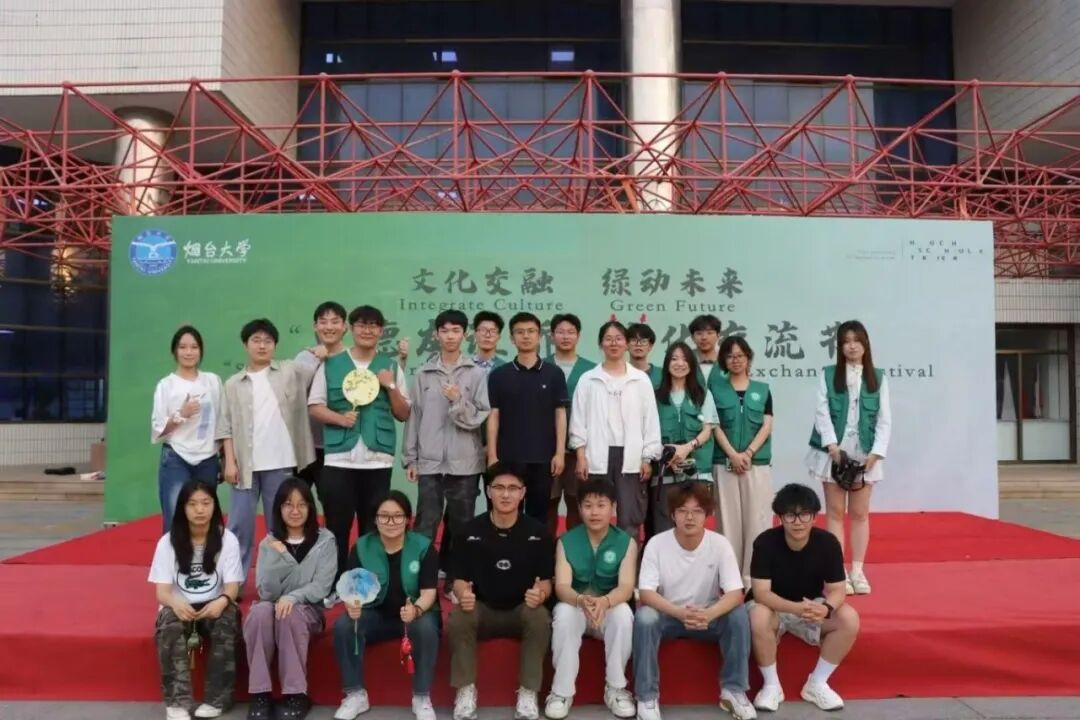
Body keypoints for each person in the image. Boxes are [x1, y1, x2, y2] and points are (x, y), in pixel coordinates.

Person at [308, 305, 411, 603]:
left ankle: (367, 588)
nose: (367, 330)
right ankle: (334, 585)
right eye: (361, 325)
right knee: (336, 527)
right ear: (350, 329)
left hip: (378, 459)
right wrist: (340, 419)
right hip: (339, 458)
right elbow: (315, 406)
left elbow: (403, 413)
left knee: (372, 528)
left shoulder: (390, 366)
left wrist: (390, 386)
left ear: (381, 331)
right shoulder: (331, 364)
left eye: (373, 326)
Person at [633, 483, 755, 720]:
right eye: (682, 510)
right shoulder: (657, 543)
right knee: (645, 617)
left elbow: (735, 592)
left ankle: (733, 691)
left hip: (706, 615)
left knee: (738, 614)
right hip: (669, 615)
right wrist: (680, 613)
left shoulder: (719, 544)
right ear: (672, 514)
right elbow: (646, 593)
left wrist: (709, 614)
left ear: (707, 514)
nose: (689, 517)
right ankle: (646, 697)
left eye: (697, 511)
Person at [448, 463, 555, 720]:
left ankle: (528, 692)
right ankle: (465, 690)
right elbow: (458, 579)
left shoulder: (539, 533)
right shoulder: (468, 531)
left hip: (521, 609)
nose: (505, 494)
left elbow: (546, 581)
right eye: (499, 488)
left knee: (540, 617)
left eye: (512, 488)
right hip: (482, 608)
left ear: (523, 493)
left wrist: (540, 594)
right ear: (488, 491)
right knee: (460, 617)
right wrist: (463, 594)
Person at [219, 318, 321, 577]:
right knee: (239, 527)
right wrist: (229, 462)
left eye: (268, 341)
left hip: (281, 463)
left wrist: (322, 352)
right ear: (246, 345)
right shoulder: (233, 383)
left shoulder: (290, 370)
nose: (262, 346)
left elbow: (318, 366)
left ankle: (277, 581)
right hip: (244, 467)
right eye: (256, 340)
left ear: (275, 345)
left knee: (280, 527)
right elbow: (225, 427)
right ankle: (234, 582)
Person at [747, 484, 858, 712]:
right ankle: (771, 686)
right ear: (780, 518)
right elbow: (761, 593)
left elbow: (838, 589)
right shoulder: (765, 542)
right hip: (772, 607)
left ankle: (817, 683)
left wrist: (826, 608)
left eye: (804, 514)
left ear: (814, 517)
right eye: (790, 515)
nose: (798, 522)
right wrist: (795, 608)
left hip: (810, 606)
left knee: (849, 618)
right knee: (758, 616)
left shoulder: (828, 543)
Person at [332, 491, 440, 720]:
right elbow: (352, 589)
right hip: (375, 615)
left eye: (398, 516)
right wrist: (352, 605)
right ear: (375, 519)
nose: (391, 522)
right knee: (344, 624)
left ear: (407, 519)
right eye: (384, 516)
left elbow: (429, 592)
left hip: (414, 616)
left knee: (426, 627)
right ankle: (355, 694)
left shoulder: (423, 547)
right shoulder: (362, 547)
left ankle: (421, 697)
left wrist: (416, 610)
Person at [404, 309, 490, 590]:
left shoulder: (476, 373)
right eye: (445, 331)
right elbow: (414, 417)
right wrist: (411, 458)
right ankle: (421, 580)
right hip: (429, 463)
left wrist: (457, 400)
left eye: (456, 331)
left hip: (465, 463)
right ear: (436, 334)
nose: (450, 336)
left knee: (462, 526)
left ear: (465, 335)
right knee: (425, 523)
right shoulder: (423, 373)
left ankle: (457, 582)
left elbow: (480, 416)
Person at [805, 320, 891, 595]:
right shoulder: (829, 375)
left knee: (860, 513)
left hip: (865, 454)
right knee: (834, 513)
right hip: (833, 452)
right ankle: (837, 570)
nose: (852, 346)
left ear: (865, 344)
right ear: (840, 347)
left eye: (856, 341)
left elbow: (884, 419)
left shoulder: (878, 377)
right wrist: (832, 446)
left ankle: (857, 570)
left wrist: (876, 453)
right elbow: (821, 412)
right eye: (846, 341)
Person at [149, 480, 243, 720]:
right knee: (169, 626)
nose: (200, 510)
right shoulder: (167, 542)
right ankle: (177, 702)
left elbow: (233, 587)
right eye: (192, 504)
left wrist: (221, 601)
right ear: (183, 508)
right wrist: (176, 604)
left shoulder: (228, 539)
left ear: (214, 506)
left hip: (214, 604)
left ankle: (217, 699)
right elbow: (162, 592)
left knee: (227, 620)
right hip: (179, 606)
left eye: (205, 503)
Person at [244, 477, 336, 720]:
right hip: (273, 607)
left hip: (308, 612)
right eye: (288, 504)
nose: (295, 511)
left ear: (310, 507)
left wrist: (292, 598)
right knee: (259, 612)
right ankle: (260, 694)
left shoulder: (325, 540)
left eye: (301, 504)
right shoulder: (268, 543)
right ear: (279, 508)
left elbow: (322, 587)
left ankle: (296, 695)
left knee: (289, 614)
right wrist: (279, 557)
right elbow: (266, 592)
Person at [546, 478, 637, 720]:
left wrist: (605, 602)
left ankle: (616, 688)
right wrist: (580, 600)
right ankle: (561, 692)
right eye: (588, 505)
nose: (594, 512)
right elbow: (562, 586)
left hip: (607, 608)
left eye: (601, 505)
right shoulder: (566, 541)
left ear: (613, 507)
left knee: (623, 614)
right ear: (579, 509)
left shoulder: (626, 542)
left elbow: (626, 587)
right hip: (577, 606)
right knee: (564, 614)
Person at [569, 320, 661, 538]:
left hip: (632, 458)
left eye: (619, 338)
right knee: (595, 512)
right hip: (596, 456)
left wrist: (647, 458)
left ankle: (628, 558)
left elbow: (650, 420)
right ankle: (596, 556)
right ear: (600, 344)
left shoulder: (640, 380)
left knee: (630, 516)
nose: (614, 343)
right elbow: (578, 420)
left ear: (626, 343)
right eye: (608, 339)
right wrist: (581, 456)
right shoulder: (588, 379)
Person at [486, 312, 569, 524]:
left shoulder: (554, 374)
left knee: (538, 515)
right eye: (520, 332)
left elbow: (560, 414)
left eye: (531, 331)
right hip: (507, 458)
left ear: (539, 336)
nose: (526, 336)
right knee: (505, 512)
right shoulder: (499, 375)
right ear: (512, 338)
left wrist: (559, 453)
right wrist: (492, 455)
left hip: (542, 458)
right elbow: (494, 415)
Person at [712, 335, 774, 587]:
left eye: (740, 355)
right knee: (728, 521)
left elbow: (767, 425)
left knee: (758, 519)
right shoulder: (715, 391)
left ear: (748, 358)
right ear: (723, 361)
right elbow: (714, 425)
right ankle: (730, 578)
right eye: (730, 356)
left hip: (756, 464)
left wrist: (747, 453)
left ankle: (754, 577)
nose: (735, 360)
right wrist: (733, 455)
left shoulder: (763, 389)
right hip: (724, 463)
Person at [152, 325, 224, 533]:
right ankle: (175, 554)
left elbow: (222, 421)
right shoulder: (166, 385)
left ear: (201, 350)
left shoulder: (212, 381)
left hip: (208, 459)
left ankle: (204, 555)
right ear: (174, 351)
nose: (189, 352)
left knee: (205, 518)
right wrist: (181, 415)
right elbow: (158, 430)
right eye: (183, 347)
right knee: (175, 517)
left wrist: (225, 457)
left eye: (194, 347)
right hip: (176, 457)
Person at [652, 342, 717, 537]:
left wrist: (687, 448)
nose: (679, 363)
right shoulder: (655, 395)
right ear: (667, 364)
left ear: (691, 364)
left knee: (694, 529)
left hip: (697, 473)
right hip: (665, 473)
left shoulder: (702, 394)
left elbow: (707, 429)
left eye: (684, 359)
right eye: (674, 359)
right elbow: (648, 431)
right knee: (664, 530)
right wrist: (668, 454)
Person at [546, 313, 596, 535]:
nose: (565, 337)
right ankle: (546, 553)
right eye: (560, 332)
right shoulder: (541, 366)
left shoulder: (592, 370)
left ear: (578, 336)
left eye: (570, 332)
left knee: (578, 504)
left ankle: (574, 552)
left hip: (581, 451)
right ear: (552, 335)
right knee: (548, 504)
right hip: (547, 450)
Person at [295, 302, 348, 493]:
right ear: (315, 326)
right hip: (303, 446)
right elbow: (294, 394)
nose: (329, 327)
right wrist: (317, 361)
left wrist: (329, 361)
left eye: (335, 321)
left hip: (336, 446)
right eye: (323, 322)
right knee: (296, 499)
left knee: (333, 501)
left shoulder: (351, 359)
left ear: (345, 327)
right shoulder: (304, 357)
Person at [689, 314, 724, 386]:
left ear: (718, 336)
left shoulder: (726, 359)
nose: (704, 337)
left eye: (709, 333)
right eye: (699, 333)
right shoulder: (686, 359)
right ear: (692, 337)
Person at [626, 322, 662, 389]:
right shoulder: (619, 373)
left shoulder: (661, 375)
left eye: (643, 341)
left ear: (650, 346)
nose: (638, 344)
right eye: (634, 340)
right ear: (626, 345)